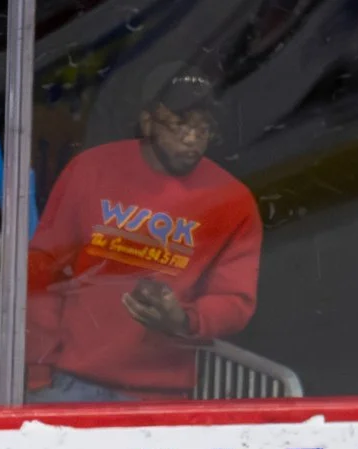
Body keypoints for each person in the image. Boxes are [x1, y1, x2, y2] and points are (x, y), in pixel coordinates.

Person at [24, 68, 262, 403]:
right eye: (180, 122)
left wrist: (185, 318)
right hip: (70, 383)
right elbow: (44, 268)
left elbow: (236, 300)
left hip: (162, 393)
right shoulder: (91, 169)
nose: (193, 138)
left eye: (203, 127)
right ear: (148, 121)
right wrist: (39, 370)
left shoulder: (232, 201)